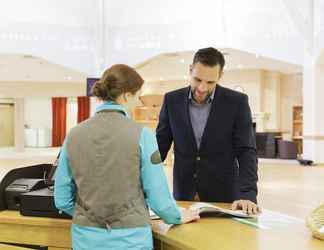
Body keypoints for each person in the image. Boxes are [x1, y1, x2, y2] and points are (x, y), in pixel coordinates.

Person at [54, 64, 199, 250]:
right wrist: (178, 216)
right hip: (131, 240)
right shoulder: (143, 135)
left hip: (85, 238)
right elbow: (158, 198)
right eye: (138, 96)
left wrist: (89, 215)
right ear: (126, 95)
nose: (139, 103)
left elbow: (61, 199)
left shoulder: (73, 135)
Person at [156, 47, 260, 215]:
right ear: (190, 70)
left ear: (220, 76)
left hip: (224, 197)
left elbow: (247, 150)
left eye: (210, 82)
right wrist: (140, 186)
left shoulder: (237, 102)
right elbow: (159, 148)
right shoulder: (171, 100)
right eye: (197, 79)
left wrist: (248, 193)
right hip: (183, 195)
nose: (202, 88)